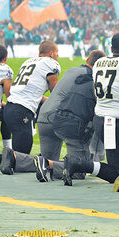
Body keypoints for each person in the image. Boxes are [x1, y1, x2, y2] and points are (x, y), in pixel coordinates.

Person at [63, 33, 119, 186]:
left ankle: (78, 164)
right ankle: (77, 164)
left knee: (117, 171)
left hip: (101, 120)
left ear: (111, 48)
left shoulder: (100, 63)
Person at [33, 50, 106, 182]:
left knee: (47, 163)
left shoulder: (73, 70)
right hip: (62, 117)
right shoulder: (90, 77)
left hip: (43, 116)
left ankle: (15, 158)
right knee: (79, 170)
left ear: (87, 58)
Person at [0, 40, 60, 175]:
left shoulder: (28, 61)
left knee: (18, 154)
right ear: (51, 53)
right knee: (22, 158)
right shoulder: (51, 64)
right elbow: (55, 91)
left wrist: (46, 101)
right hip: (22, 110)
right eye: (57, 53)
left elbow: (30, 91)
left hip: (10, 108)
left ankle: (6, 157)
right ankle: (7, 159)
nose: (58, 56)